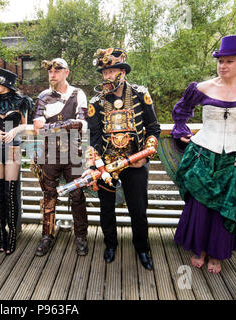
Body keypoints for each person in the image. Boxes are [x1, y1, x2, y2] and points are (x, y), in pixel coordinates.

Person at [171, 35, 236, 274]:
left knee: (227, 207)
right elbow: (182, 110)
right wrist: (180, 130)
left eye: (229, 61)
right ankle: (200, 250)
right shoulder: (203, 87)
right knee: (200, 205)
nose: (223, 66)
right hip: (203, 154)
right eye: (220, 61)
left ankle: (217, 254)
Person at [86, 48, 160, 270]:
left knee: (138, 208)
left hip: (135, 162)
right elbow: (95, 138)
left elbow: (153, 129)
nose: (106, 76)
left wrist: (144, 156)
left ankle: (142, 248)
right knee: (106, 208)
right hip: (107, 165)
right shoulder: (96, 102)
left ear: (122, 71)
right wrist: (96, 163)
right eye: (103, 72)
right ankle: (110, 244)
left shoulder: (139, 94)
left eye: (110, 71)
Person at [32, 58, 89, 257]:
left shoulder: (77, 94)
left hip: (73, 153)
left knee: (77, 195)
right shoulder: (44, 96)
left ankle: (81, 237)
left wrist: (52, 127)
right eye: (50, 71)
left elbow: (81, 124)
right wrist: (66, 124)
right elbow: (37, 126)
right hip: (49, 155)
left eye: (57, 70)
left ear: (66, 72)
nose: (52, 74)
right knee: (49, 196)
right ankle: (47, 235)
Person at [0, 67, 34, 255]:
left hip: (14, 147)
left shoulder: (21, 102)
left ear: (6, 85)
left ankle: (12, 236)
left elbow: (25, 124)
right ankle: (1, 233)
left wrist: (14, 130)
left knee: (10, 192)